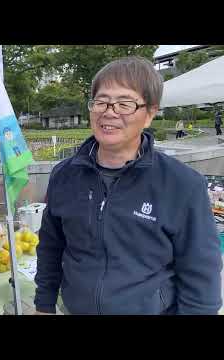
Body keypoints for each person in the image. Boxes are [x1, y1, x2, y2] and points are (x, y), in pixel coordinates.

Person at [34, 56, 222, 315]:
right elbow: (50, 246)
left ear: (149, 114)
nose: (109, 112)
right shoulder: (64, 175)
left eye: (125, 103)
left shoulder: (183, 185)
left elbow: (202, 275)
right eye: (101, 101)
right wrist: (44, 304)